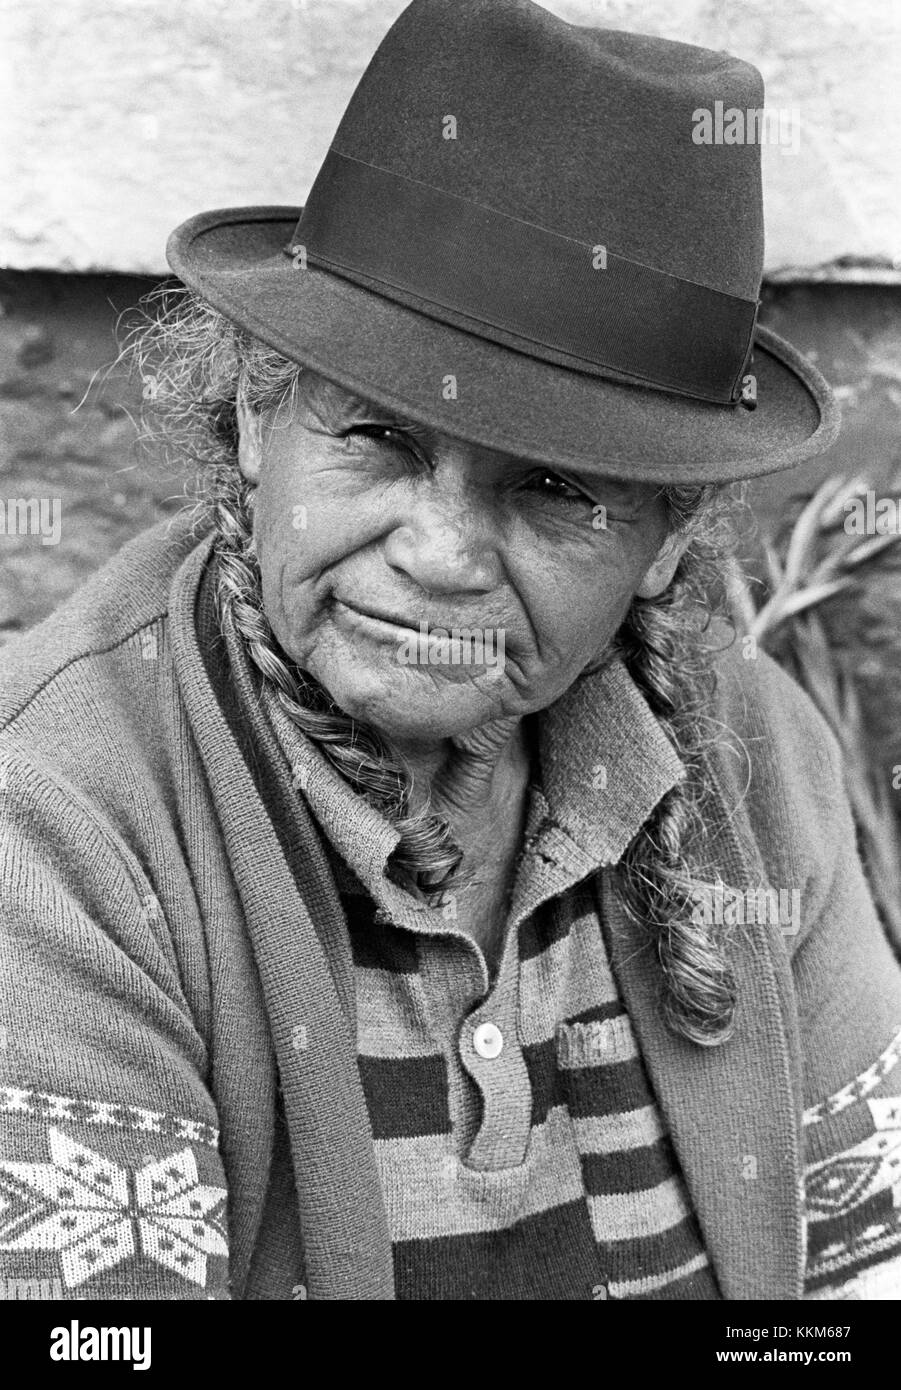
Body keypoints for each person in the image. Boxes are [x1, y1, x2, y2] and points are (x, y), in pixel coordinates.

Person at [1, 0, 900, 1301]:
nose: (437, 551)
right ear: (255, 418)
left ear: (662, 539)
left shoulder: (755, 756)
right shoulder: (59, 822)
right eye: (375, 435)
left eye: (550, 485)